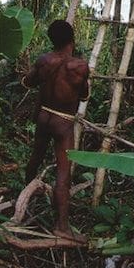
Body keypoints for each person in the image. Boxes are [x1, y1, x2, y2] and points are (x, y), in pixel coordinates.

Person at [22, 19, 90, 239]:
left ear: (52, 40)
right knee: (63, 173)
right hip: (63, 122)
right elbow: (84, 96)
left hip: (44, 116)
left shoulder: (44, 60)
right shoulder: (80, 66)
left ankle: (25, 199)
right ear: (72, 39)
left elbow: (28, 82)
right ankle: (62, 226)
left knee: (35, 158)